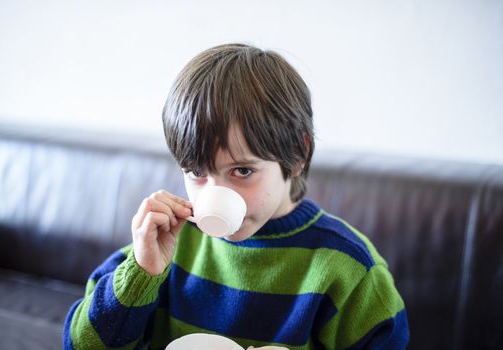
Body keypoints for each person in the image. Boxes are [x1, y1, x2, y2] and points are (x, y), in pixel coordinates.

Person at [63, 43, 409, 349]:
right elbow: (79, 345)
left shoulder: (346, 266)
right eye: (197, 173)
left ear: (297, 155)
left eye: (242, 171)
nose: (216, 195)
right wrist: (142, 272)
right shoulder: (169, 244)